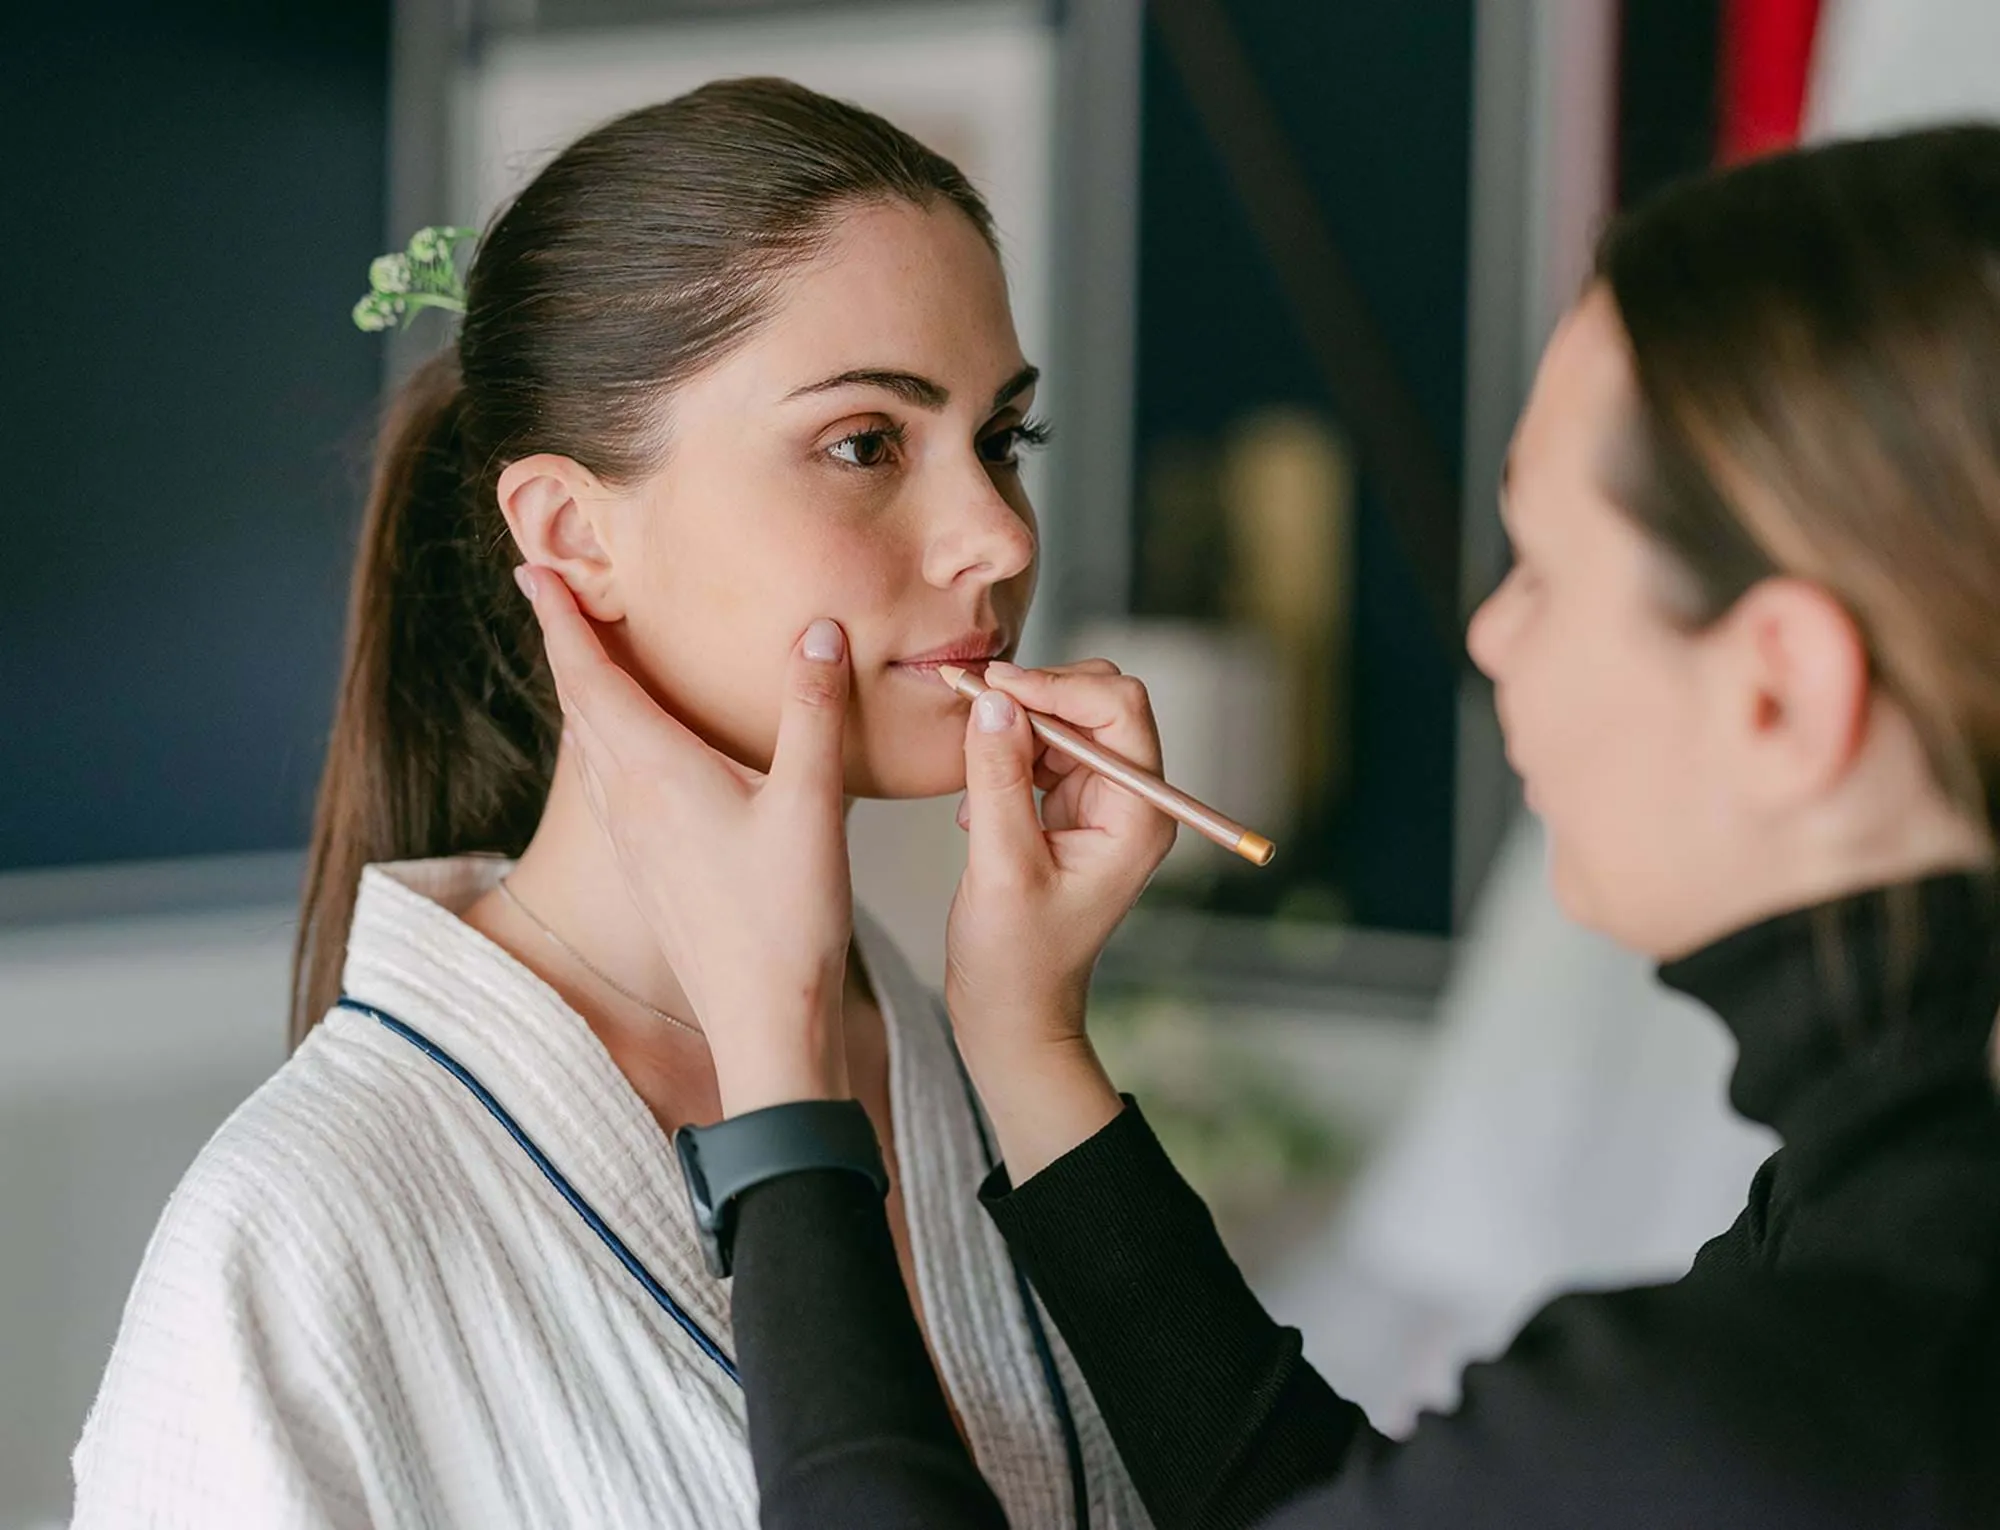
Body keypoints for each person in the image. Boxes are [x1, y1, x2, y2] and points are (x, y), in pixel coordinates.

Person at [521, 124, 2000, 1528]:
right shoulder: (1871, 1210)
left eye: (1542, 566)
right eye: (863, 444)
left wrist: (778, 1085)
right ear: (575, 538)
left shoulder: (1809, 1387)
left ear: (1785, 689)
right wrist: (1027, 1042)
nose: (1489, 636)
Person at [69, 78, 1147, 1529]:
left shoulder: (967, 1067)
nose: (998, 536)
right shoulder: (295, 1233)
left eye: (1003, 438)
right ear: (575, 535)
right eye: (867, 444)